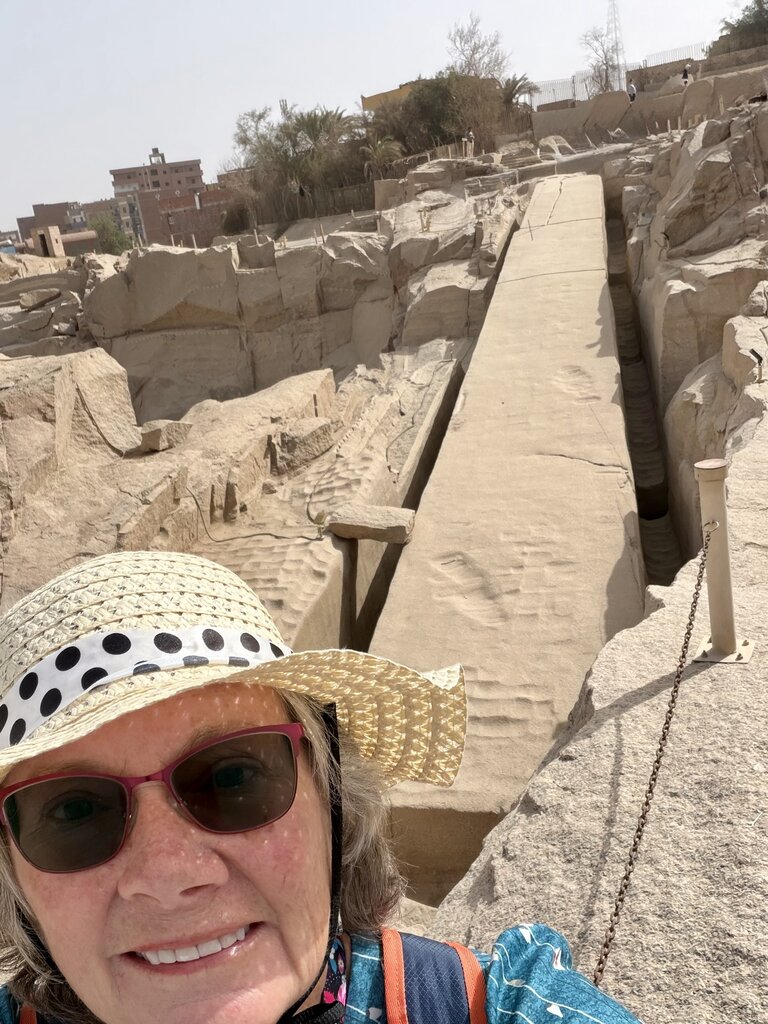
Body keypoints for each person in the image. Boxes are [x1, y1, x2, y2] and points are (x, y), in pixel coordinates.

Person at [0, 551, 643, 1024]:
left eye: (231, 777)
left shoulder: (486, 1006)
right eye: (75, 812)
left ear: (331, 796)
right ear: (14, 877)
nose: (170, 875)